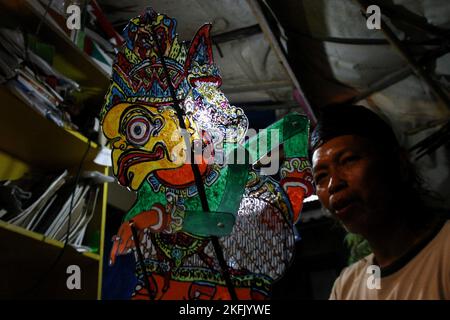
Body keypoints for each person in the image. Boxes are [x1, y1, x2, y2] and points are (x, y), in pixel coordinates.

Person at [309, 104, 449, 300]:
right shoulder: (347, 288)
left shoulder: (445, 251)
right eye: (321, 176)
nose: (333, 184)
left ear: (399, 164)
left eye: (348, 160)